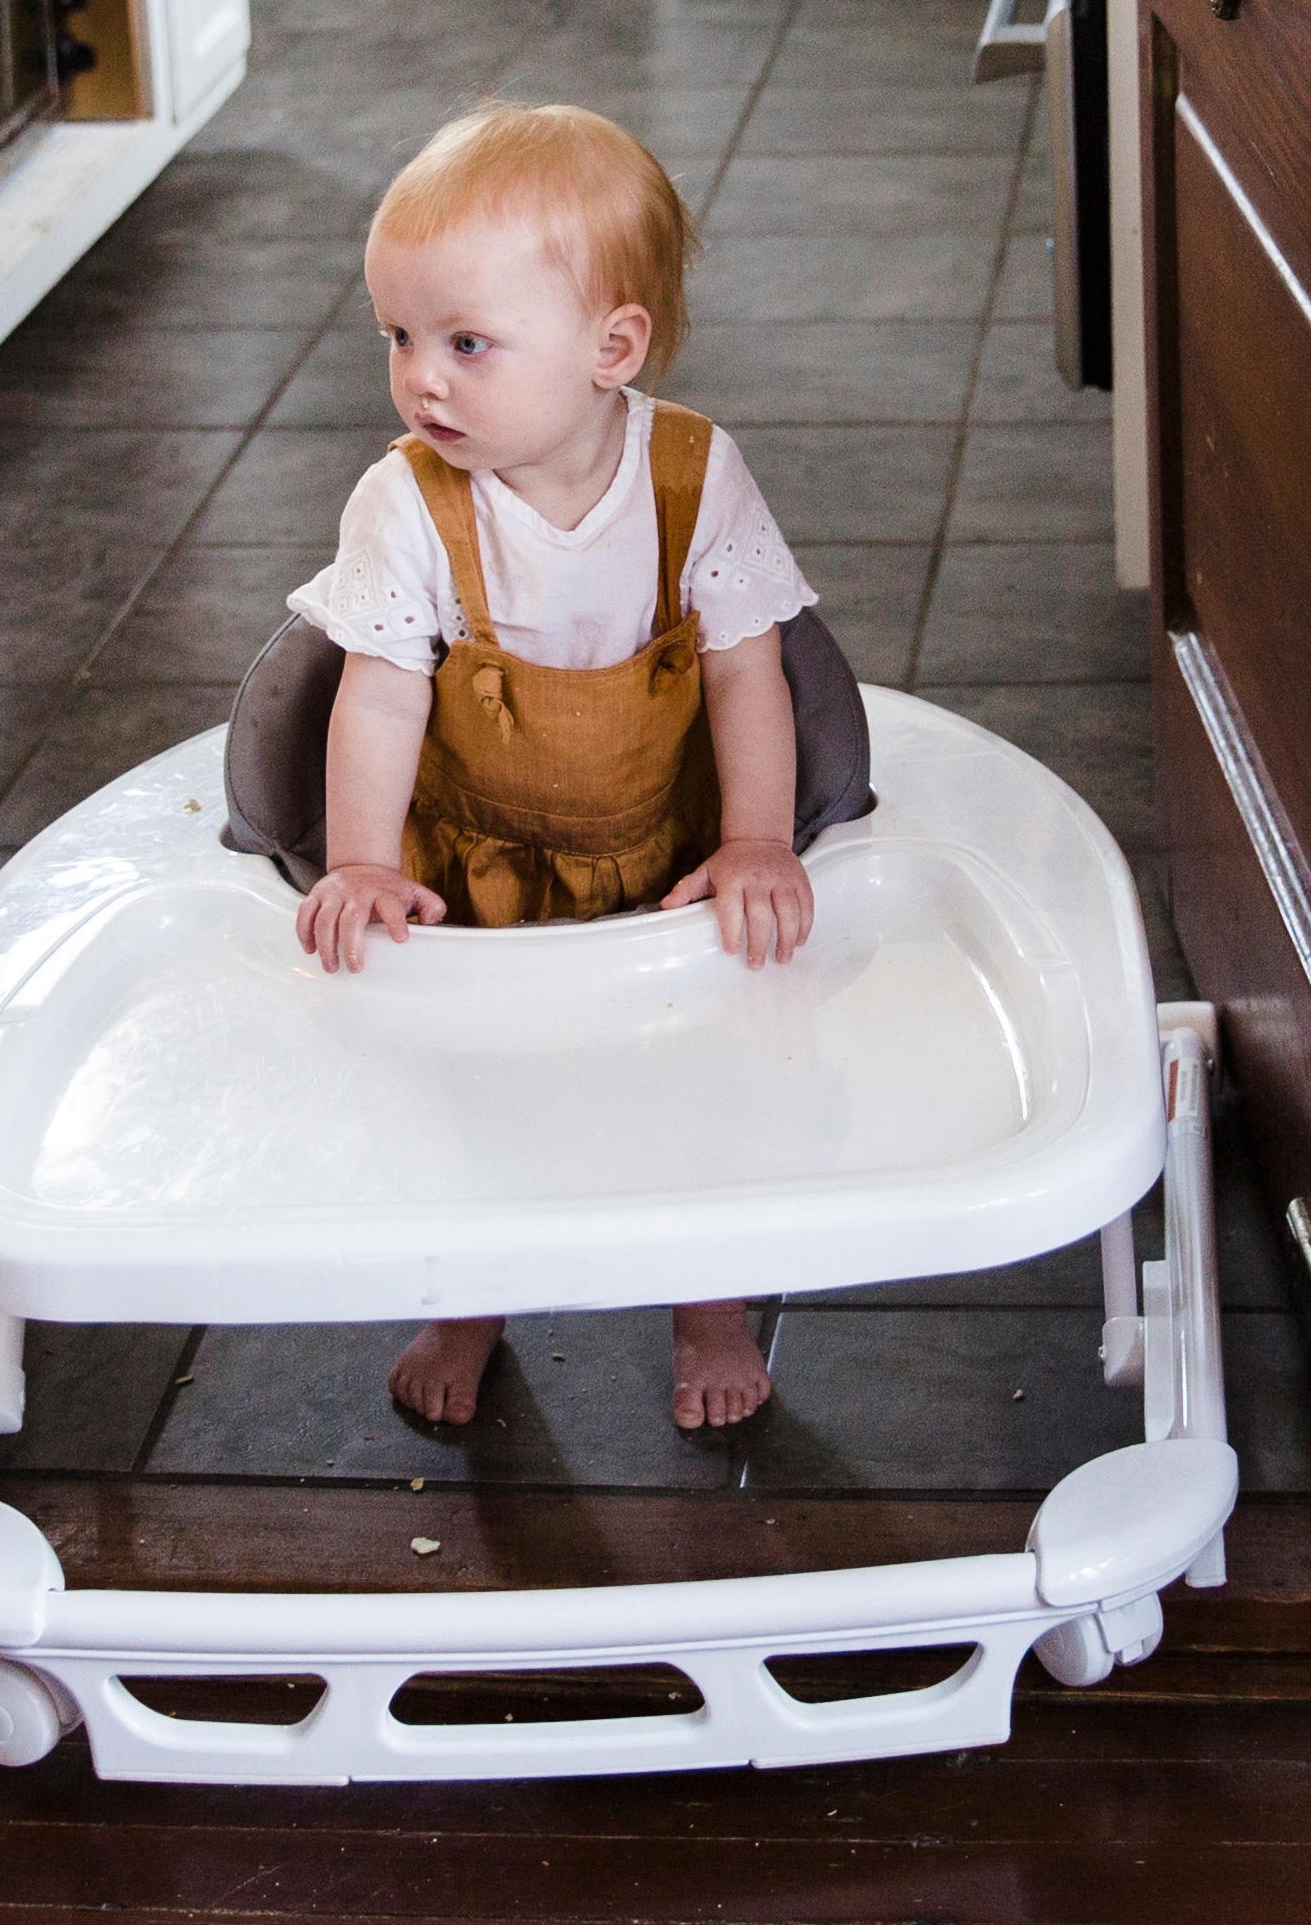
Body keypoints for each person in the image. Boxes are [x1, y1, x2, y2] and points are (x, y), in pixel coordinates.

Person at [283, 103, 819, 1432]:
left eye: (466, 343)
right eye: (398, 337)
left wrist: (757, 838)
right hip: (479, 872)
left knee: (694, 1090)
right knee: (476, 1097)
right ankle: (472, 1297)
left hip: (663, 861)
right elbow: (377, 691)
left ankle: (705, 1303)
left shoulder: (691, 477)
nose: (422, 381)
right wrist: (361, 862)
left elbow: (748, 671)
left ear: (610, 348)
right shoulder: (406, 501)